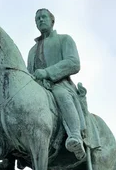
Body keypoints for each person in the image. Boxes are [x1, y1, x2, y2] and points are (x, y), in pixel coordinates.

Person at [27, 9, 86, 161]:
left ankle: (75, 136)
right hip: (38, 88)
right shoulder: (32, 51)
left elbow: (73, 63)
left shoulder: (64, 39)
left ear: (52, 20)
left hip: (60, 84)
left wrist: (47, 72)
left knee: (61, 95)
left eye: (43, 17)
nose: (40, 20)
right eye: (37, 19)